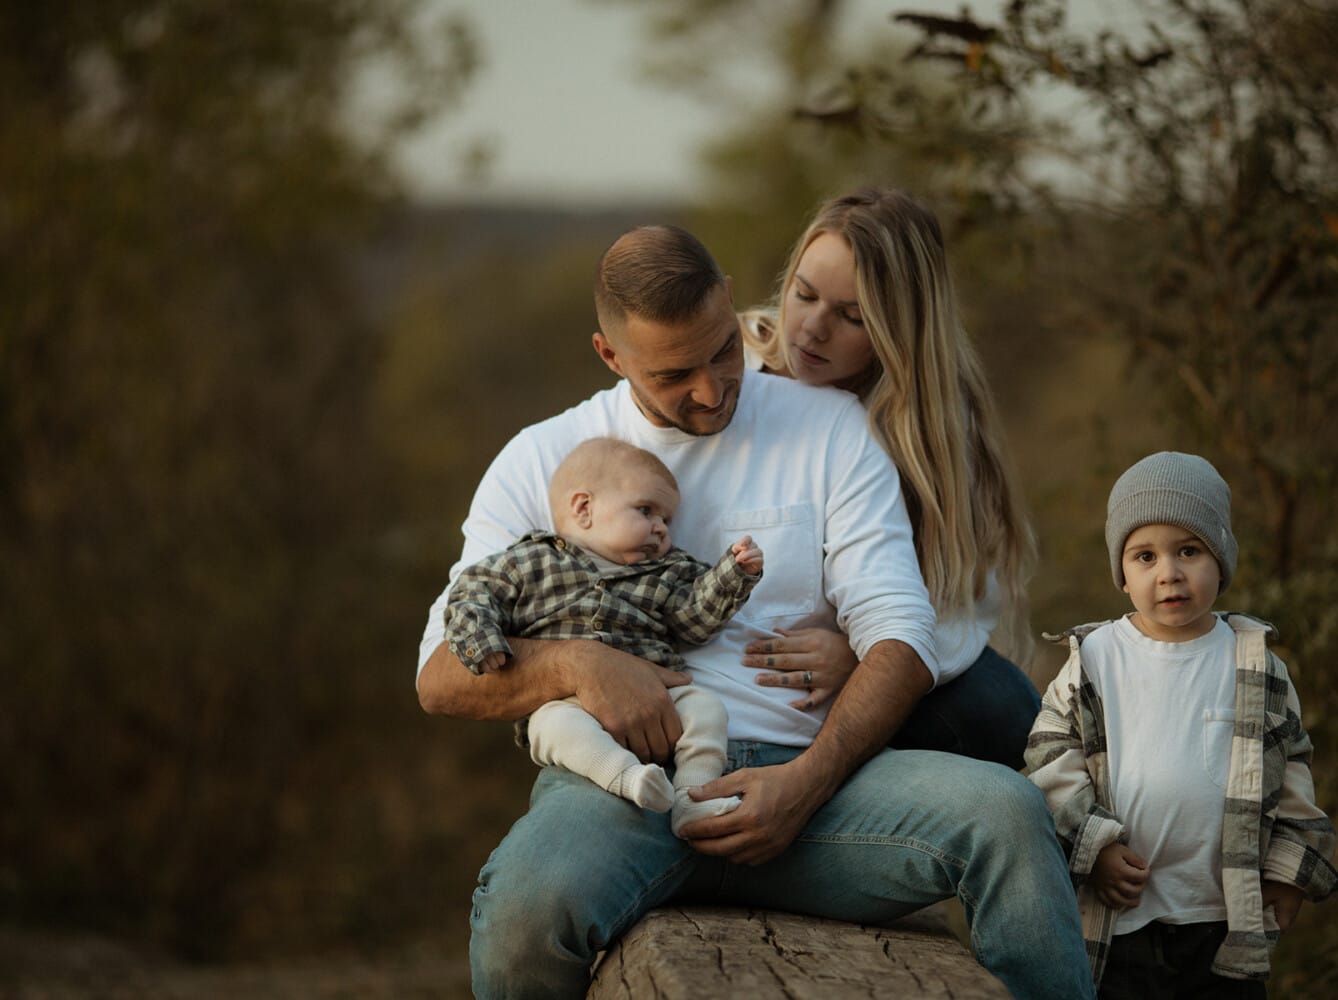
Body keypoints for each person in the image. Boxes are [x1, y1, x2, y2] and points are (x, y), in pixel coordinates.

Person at [416, 224, 1094, 999]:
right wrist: (580, 665)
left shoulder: (828, 426)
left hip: (818, 797)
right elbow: (440, 677)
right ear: (611, 356)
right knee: (523, 910)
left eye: (722, 352)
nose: (711, 390)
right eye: (675, 373)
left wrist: (806, 782)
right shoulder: (542, 458)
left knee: (1007, 813)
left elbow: (901, 634)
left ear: (730, 304)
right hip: (622, 792)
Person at [1025, 452, 1338, 995]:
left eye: (1189, 551)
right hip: (1122, 912)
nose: (1169, 573)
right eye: (1145, 556)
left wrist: (1287, 872)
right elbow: (1050, 754)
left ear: (1220, 560)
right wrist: (1096, 847)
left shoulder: (1253, 663)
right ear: (1122, 575)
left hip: (1221, 916)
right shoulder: (1098, 657)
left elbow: (1291, 767)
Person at [739, 189, 1040, 769]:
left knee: (999, 706)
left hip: (867, 671)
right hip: (746, 662)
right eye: (802, 294)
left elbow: (959, 604)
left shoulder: (934, 429)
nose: (812, 328)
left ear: (900, 329)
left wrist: (865, 655)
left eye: (853, 316)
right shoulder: (733, 368)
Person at [443, 436, 762, 836]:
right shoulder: (530, 561)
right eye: (646, 510)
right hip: (564, 702)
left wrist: (733, 575)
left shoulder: (668, 570)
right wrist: (482, 641)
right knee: (552, 730)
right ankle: (628, 779)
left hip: (656, 695)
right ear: (584, 508)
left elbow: (693, 621)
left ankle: (692, 799)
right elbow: (473, 593)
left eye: (667, 520)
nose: (661, 529)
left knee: (707, 711)